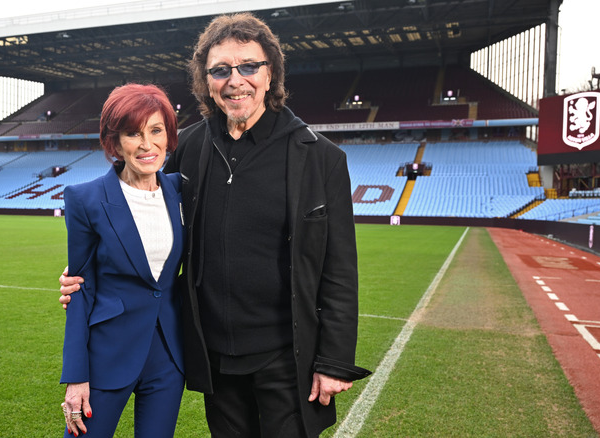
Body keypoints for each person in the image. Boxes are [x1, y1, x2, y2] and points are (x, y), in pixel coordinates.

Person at [61, 13, 371, 437]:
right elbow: (142, 217)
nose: (235, 80)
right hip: (215, 359)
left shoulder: (320, 158)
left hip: (286, 358)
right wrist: (83, 279)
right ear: (206, 81)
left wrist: (333, 361)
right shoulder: (188, 146)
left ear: (271, 74)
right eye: (220, 70)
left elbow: (339, 270)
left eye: (248, 66)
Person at [59, 83, 185, 438]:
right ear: (115, 143)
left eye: (156, 130)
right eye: (133, 133)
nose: (147, 145)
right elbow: (80, 289)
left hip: (167, 357)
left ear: (168, 134)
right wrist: (76, 376)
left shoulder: (182, 190)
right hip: (106, 356)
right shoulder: (85, 199)